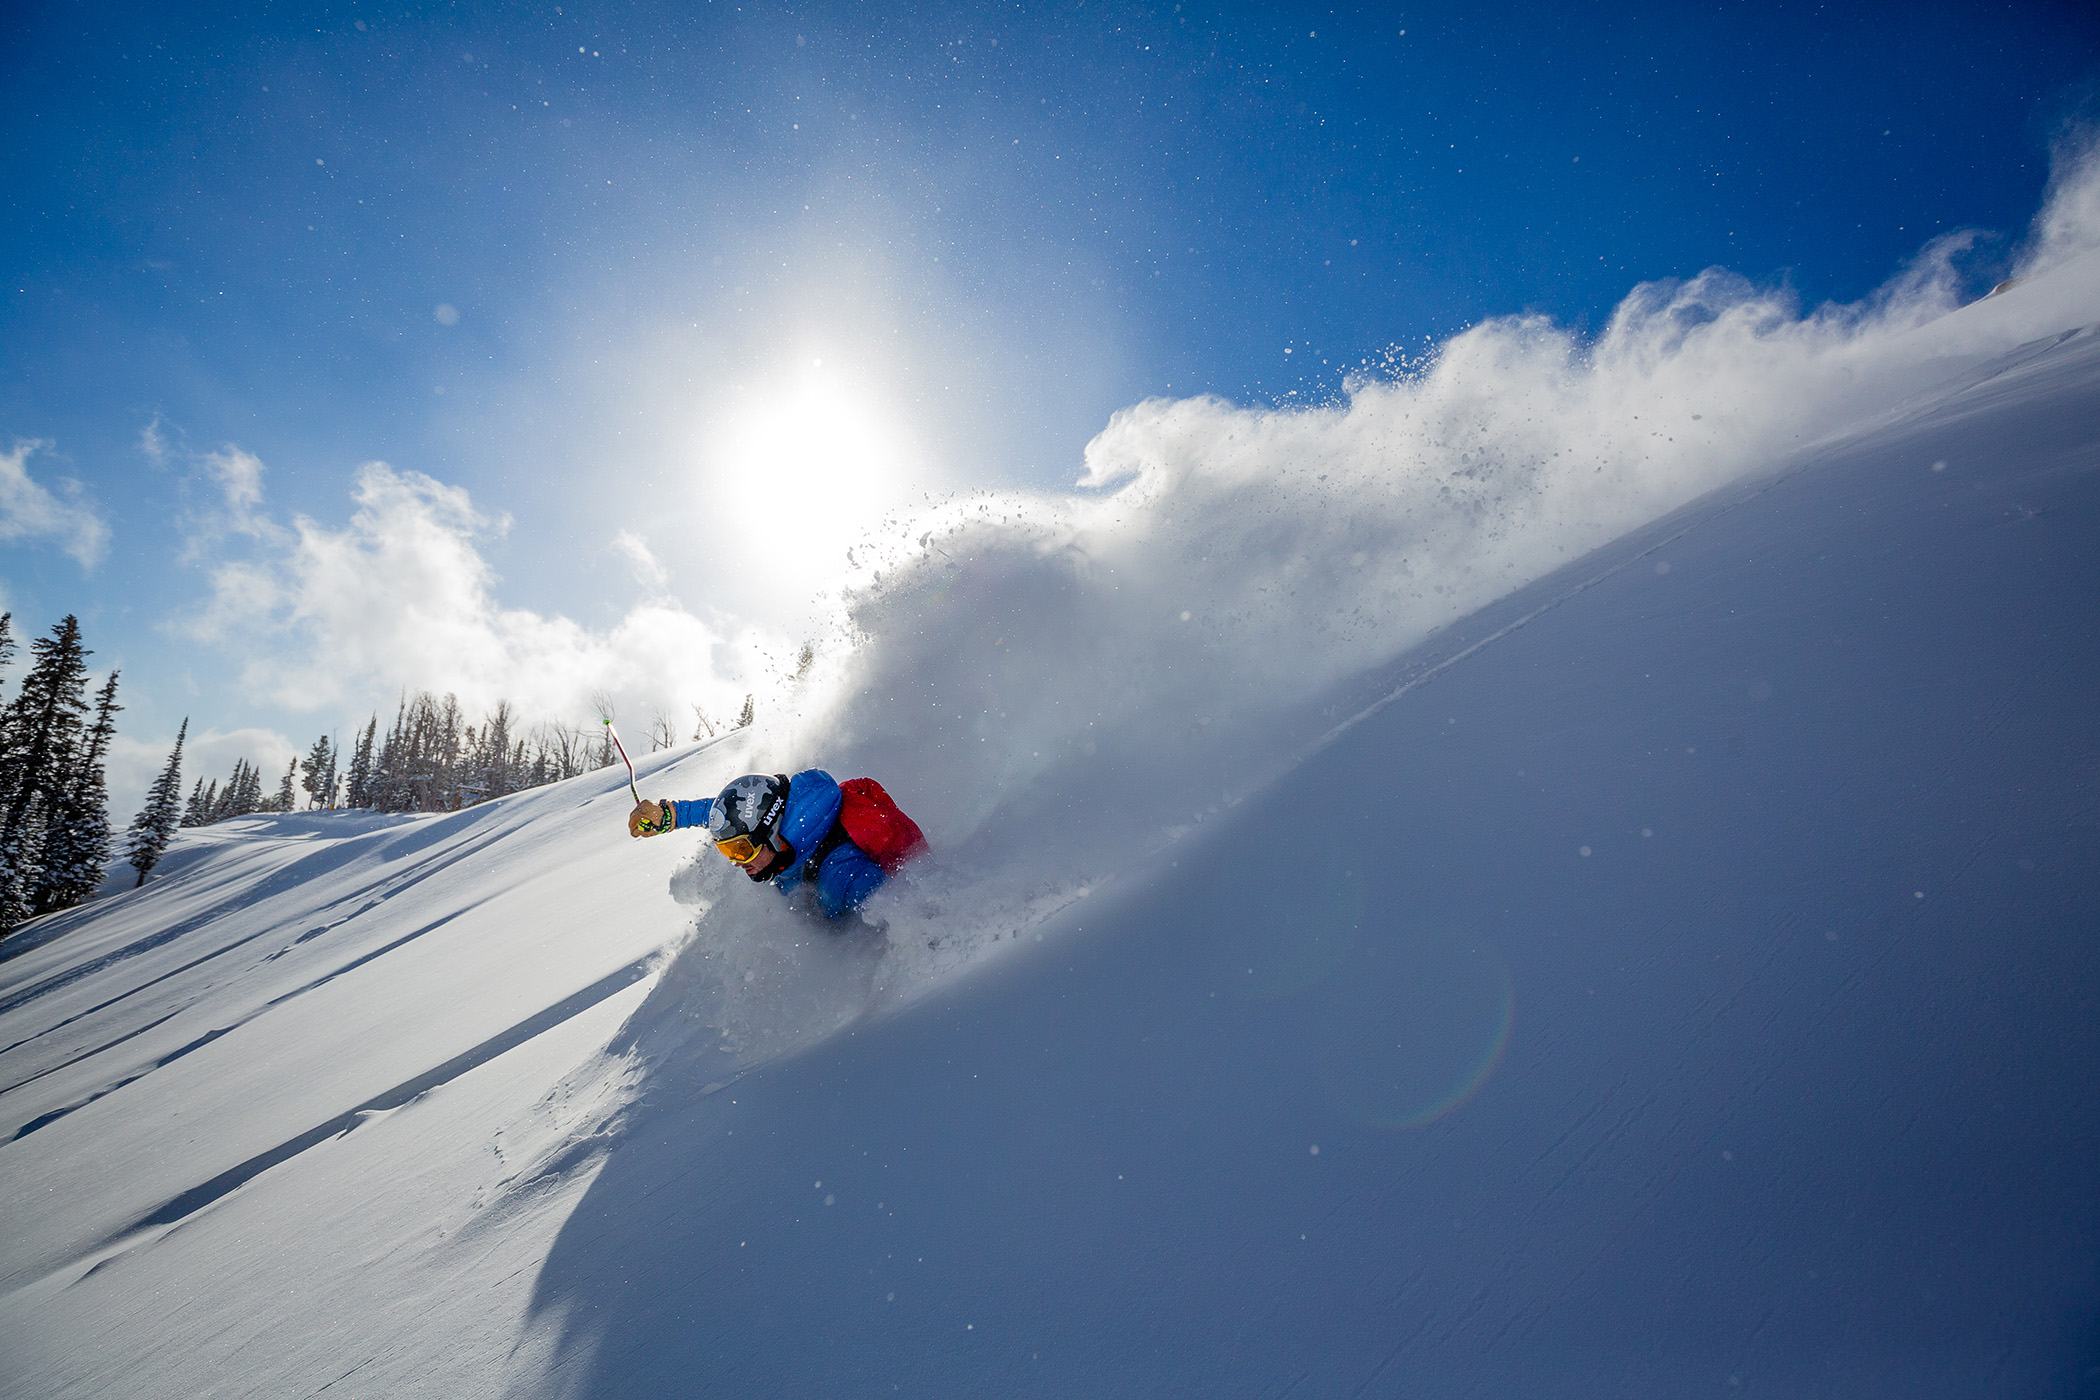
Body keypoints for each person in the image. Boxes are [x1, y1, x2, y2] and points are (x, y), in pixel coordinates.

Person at [627, 769, 922, 920]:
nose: (739, 862)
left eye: (741, 849)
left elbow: (900, 913)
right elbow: (719, 811)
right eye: (728, 851)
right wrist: (670, 815)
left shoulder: (844, 875)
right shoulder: (781, 841)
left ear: (770, 833)